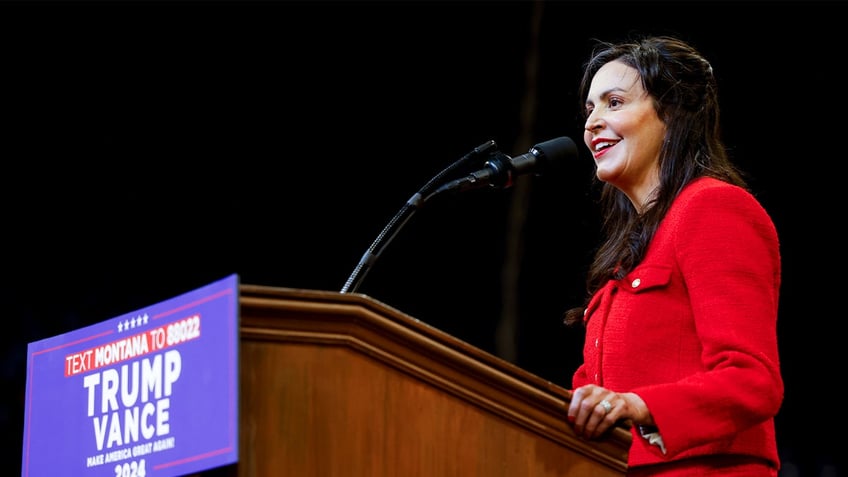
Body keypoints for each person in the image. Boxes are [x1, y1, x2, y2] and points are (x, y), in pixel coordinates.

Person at [562, 35, 783, 476]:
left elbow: (752, 380)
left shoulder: (714, 208)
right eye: (590, 109)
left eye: (614, 101)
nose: (592, 123)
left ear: (671, 111)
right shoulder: (630, 250)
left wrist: (639, 405)